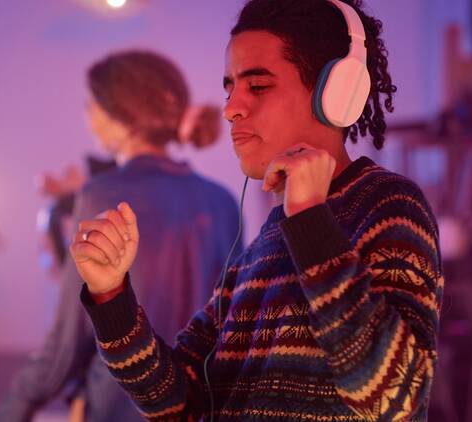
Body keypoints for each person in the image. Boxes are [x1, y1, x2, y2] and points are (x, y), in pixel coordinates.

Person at [71, 0, 444, 420]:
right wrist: (112, 296)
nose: (232, 108)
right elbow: (181, 403)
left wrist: (309, 221)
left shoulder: (389, 207)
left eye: (258, 86)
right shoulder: (266, 240)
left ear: (335, 94)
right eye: (230, 86)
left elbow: (394, 400)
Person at [0, 50, 242, 422]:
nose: (88, 116)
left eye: (91, 104)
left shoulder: (101, 194)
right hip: (202, 408)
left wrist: (12, 409)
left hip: (121, 403)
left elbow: (68, 338)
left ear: (121, 116)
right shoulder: (222, 201)